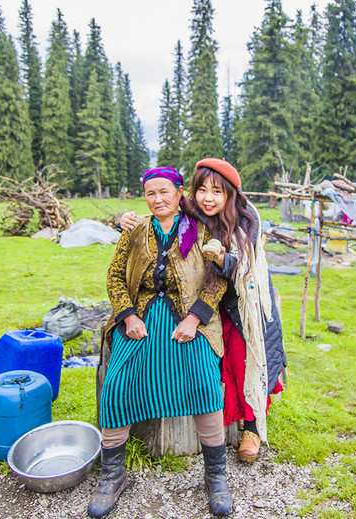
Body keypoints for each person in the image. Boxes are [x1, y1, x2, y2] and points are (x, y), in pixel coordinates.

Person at [120, 158, 287, 464]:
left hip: (241, 304)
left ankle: (251, 426)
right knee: (211, 361)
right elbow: (161, 210)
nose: (208, 198)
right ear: (192, 192)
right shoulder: (191, 215)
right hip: (203, 300)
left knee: (242, 355)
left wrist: (222, 259)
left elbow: (240, 265)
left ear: (229, 195)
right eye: (202, 190)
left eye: (217, 192)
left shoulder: (244, 221)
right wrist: (129, 219)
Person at [90, 167, 232, 518]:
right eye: (150, 193)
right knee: (117, 384)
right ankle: (113, 474)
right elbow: (114, 276)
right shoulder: (135, 230)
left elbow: (216, 283)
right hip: (140, 320)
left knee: (203, 382)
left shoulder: (200, 229)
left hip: (188, 320)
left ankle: (216, 475)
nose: (157, 199)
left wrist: (195, 318)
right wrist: (128, 316)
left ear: (179, 191)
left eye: (164, 192)